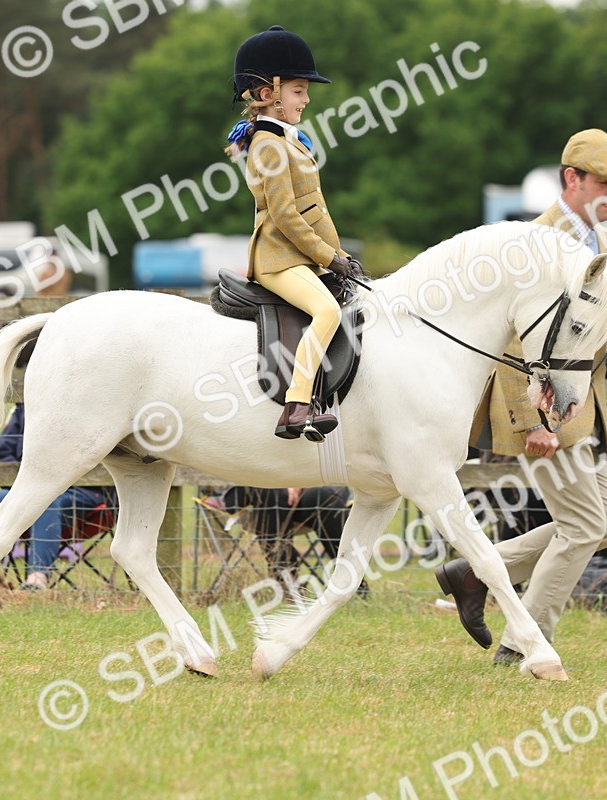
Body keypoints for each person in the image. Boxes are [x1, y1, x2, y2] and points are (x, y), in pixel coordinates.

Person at [437, 129, 607, 664]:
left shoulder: (600, 245)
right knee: (584, 526)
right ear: (571, 180)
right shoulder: (532, 244)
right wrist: (534, 420)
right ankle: (523, 642)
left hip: (586, 411)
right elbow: (514, 343)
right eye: (604, 182)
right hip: (549, 412)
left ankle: (475, 570)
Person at [225, 25, 359, 441]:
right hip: (278, 257)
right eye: (299, 90)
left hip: (297, 256)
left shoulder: (286, 139)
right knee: (327, 311)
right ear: (270, 93)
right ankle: (297, 403)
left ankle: (320, 398)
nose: (307, 98)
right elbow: (284, 215)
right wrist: (329, 256)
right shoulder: (268, 144)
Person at [0, 404, 118, 590]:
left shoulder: (91, 407)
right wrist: (30, 483)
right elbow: (2, 457)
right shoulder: (25, 409)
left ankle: (38, 577)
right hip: (28, 490)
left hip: (83, 492)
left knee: (46, 501)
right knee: (0, 498)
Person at [220, 485, 358, 589]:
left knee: (324, 496)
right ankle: (288, 585)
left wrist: (297, 482)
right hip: (240, 486)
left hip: (299, 479)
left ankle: (351, 581)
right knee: (271, 492)